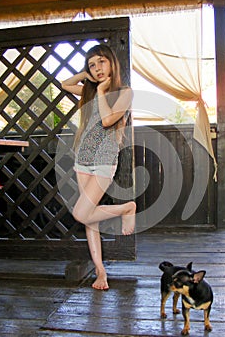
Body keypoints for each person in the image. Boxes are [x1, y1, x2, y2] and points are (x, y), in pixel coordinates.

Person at [61, 44, 136, 290]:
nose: (97, 68)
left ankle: (127, 207)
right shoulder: (90, 91)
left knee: (82, 213)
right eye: (92, 64)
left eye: (101, 62)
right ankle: (100, 272)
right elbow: (65, 84)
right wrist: (86, 76)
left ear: (112, 63)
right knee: (89, 220)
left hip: (104, 160)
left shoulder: (124, 92)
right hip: (83, 158)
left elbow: (107, 120)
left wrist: (103, 90)